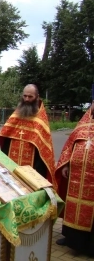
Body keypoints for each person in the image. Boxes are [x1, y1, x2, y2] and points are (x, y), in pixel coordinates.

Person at [0, 84, 56, 187]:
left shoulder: (40, 119)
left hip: (33, 169)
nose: (27, 99)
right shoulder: (17, 115)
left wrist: (37, 173)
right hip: (11, 167)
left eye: (30, 96)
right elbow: (6, 139)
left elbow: (42, 149)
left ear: (37, 97)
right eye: (25, 96)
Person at [55, 102, 94, 257]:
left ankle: (89, 245)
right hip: (76, 176)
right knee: (73, 206)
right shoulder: (82, 125)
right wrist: (65, 164)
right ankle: (71, 239)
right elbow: (69, 146)